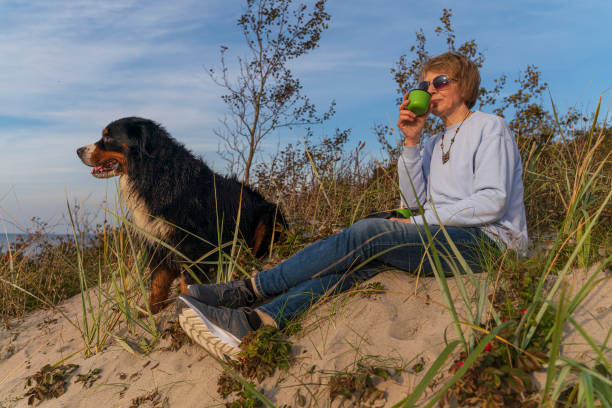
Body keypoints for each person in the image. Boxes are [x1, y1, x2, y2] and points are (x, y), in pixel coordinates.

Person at [176, 52, 528, 360]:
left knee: (367, 234)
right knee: (352, 268)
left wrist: (419, 222)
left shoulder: (488, 126)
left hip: (489, 244)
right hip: (442, 238)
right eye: (424, 85)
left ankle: (247, 290)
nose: (429, 91)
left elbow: (492, 202)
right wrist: (411, 142)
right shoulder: (434, 142)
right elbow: (413, 204)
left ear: (464, 86)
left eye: (439, 82)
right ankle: (255, 322)